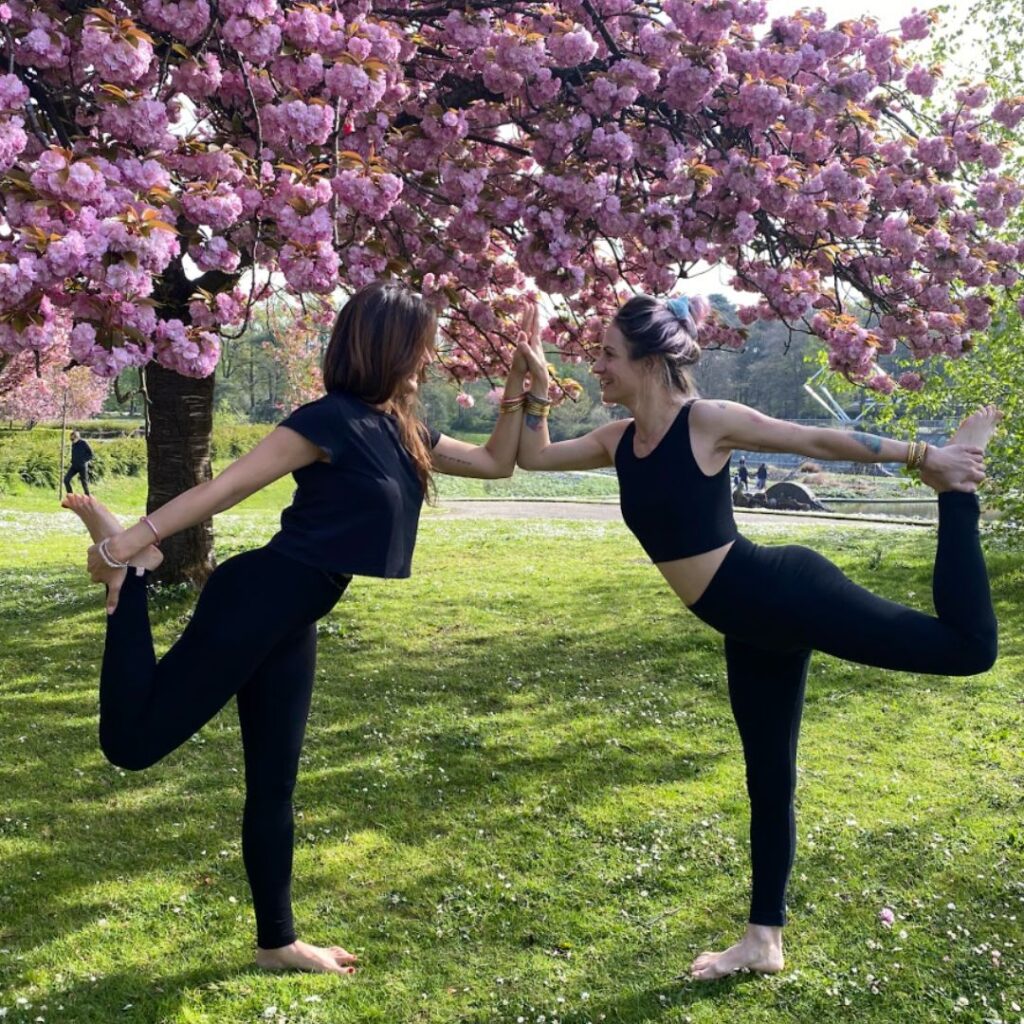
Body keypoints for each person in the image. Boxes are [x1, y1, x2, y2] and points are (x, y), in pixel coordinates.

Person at [515, 292, 1000, 981]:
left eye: (607, 354)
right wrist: (529, 384)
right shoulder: (619, 441)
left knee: (968, 650)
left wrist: (929, 458)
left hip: (787, 593)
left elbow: (811, 439)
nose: (596, 367)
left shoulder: (706, 422)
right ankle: (763, 940)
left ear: (650, 362)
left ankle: (959, 491)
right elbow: (532, 458)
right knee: (768, 780)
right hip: (748, 626)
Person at [63, 281, 540, 976]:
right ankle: (131, 578)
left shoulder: (403, 429)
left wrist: (521, 386)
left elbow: (500, 462)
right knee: (132, 746)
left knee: (275, 785)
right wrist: (128, 543)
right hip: (254, 600)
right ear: (388, 347)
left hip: (293, 618)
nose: (429, 359)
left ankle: (277, 942)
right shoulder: (324, 422)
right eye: (422, 346)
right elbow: (222, 488)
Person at [64, 430, 93, 496]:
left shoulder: (84, 443)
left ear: (77, 437)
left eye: (72, 439)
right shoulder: (73, 444)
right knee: (66, 480)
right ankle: (70, 495)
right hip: (74, 466)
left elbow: (91, 454)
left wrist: (83, 461)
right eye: (70, 439)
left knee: (84, 483)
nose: (71, 440)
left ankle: (88, 497)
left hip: (82, 466)